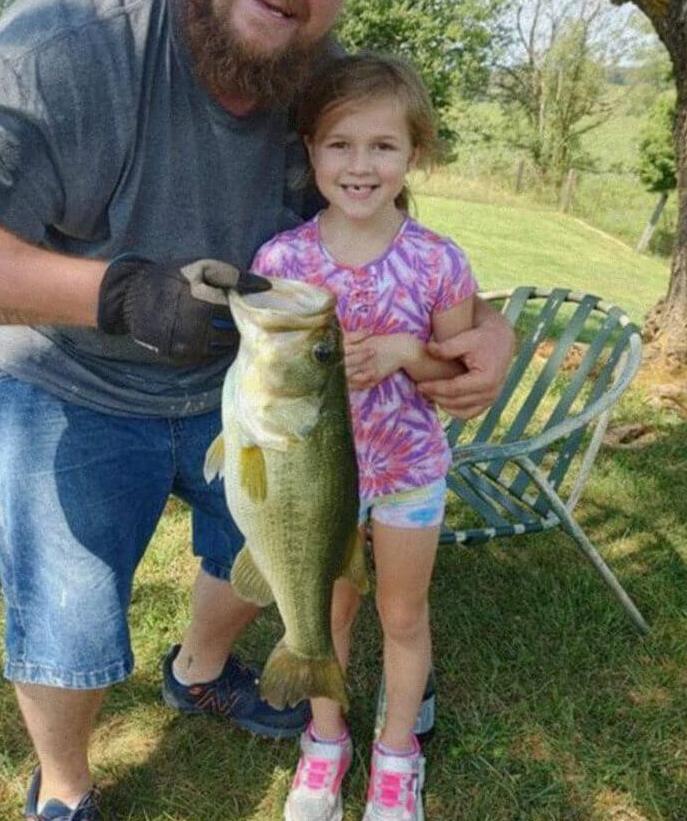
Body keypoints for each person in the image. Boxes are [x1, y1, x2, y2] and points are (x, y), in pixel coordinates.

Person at [0, 0, 513, 818]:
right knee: (66, 615)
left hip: (242, 383)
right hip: (65, 377)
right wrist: (114, 290)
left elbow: (399, 245)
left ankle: (199, 664)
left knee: (275, 549)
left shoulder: (321, 95)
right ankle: (63, 789)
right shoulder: (72, 35)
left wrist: (491, 335)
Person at [251, 53, 486, 821]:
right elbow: (254, 375)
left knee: (403, 615)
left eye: (382, 146)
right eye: (339, 145)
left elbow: (457, 391)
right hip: (311, 485)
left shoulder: (440, 261)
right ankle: (325, 743)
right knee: (331, 614)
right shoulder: (281, 261)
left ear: (413, 154)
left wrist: (405, 353)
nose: (360, 165)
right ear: (311, 152)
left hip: (407, 472)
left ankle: (394, 754)